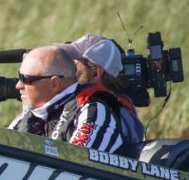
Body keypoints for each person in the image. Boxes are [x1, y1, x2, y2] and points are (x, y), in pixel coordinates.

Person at [8, 45, 136, 156]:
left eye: (25, 79)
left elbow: (77, 161)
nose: (18, 85)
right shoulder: (28, 115)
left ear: (54, 83)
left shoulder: (94, 110)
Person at [54, 35, 146, 147]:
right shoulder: (94, 103)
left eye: (75, 63)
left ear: (95, 73)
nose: (68, 67)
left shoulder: (109, 111)